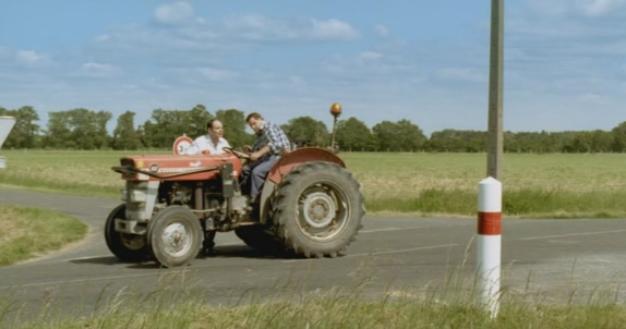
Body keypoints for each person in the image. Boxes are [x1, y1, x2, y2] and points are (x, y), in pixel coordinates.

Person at [242, 112, 291, 202]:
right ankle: (245, 196)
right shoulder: (260, 133)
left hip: (279, 155)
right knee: (245, 169)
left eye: (254, 123)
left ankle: (257, 200)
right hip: (268, 157)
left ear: (260, 119)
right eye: (250, 125)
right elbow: (257, 148)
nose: (253, 127)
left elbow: (276, 144)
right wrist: (250, 150)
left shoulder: (269, 126)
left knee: (257, 172)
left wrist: (258, 154)